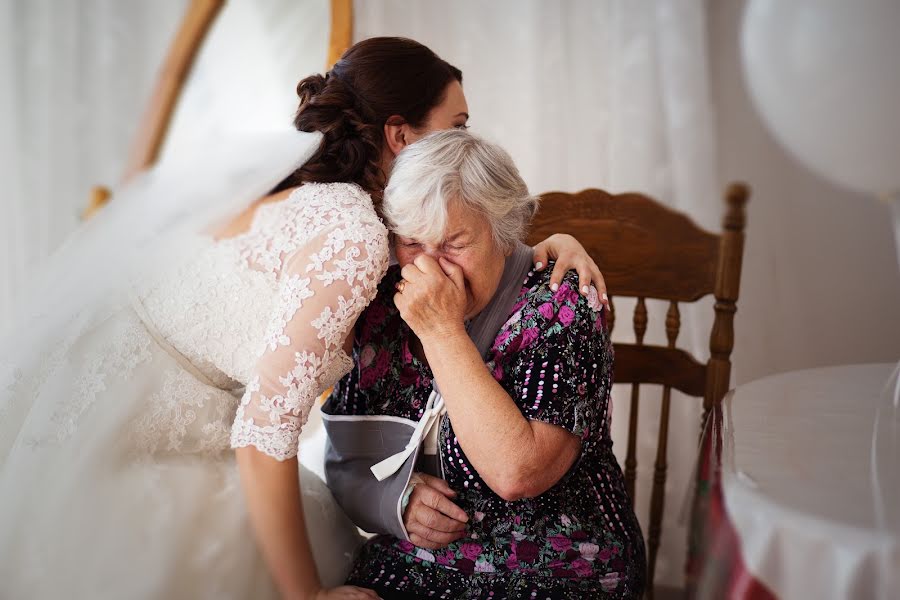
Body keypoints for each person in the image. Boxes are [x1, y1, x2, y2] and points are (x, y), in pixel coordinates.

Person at [0, 37, 607, 599]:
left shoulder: (304, 195)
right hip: (147, 429)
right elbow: (266, 428)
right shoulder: (352, 232)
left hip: (102, 398)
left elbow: (479, 224)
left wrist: (537, 244)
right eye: (456, 127)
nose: (463, 142)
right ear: (400, 135)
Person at [327, 130, 645, 599]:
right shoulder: (383, 304)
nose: (433, 269)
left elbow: (518, 474)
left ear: (504, 230)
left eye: (454, 242)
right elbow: (345, 452)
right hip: (418, 563)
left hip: (559, 567)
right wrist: (394, 501)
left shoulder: (562, 308)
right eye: (412, 243)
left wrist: (441, 330)